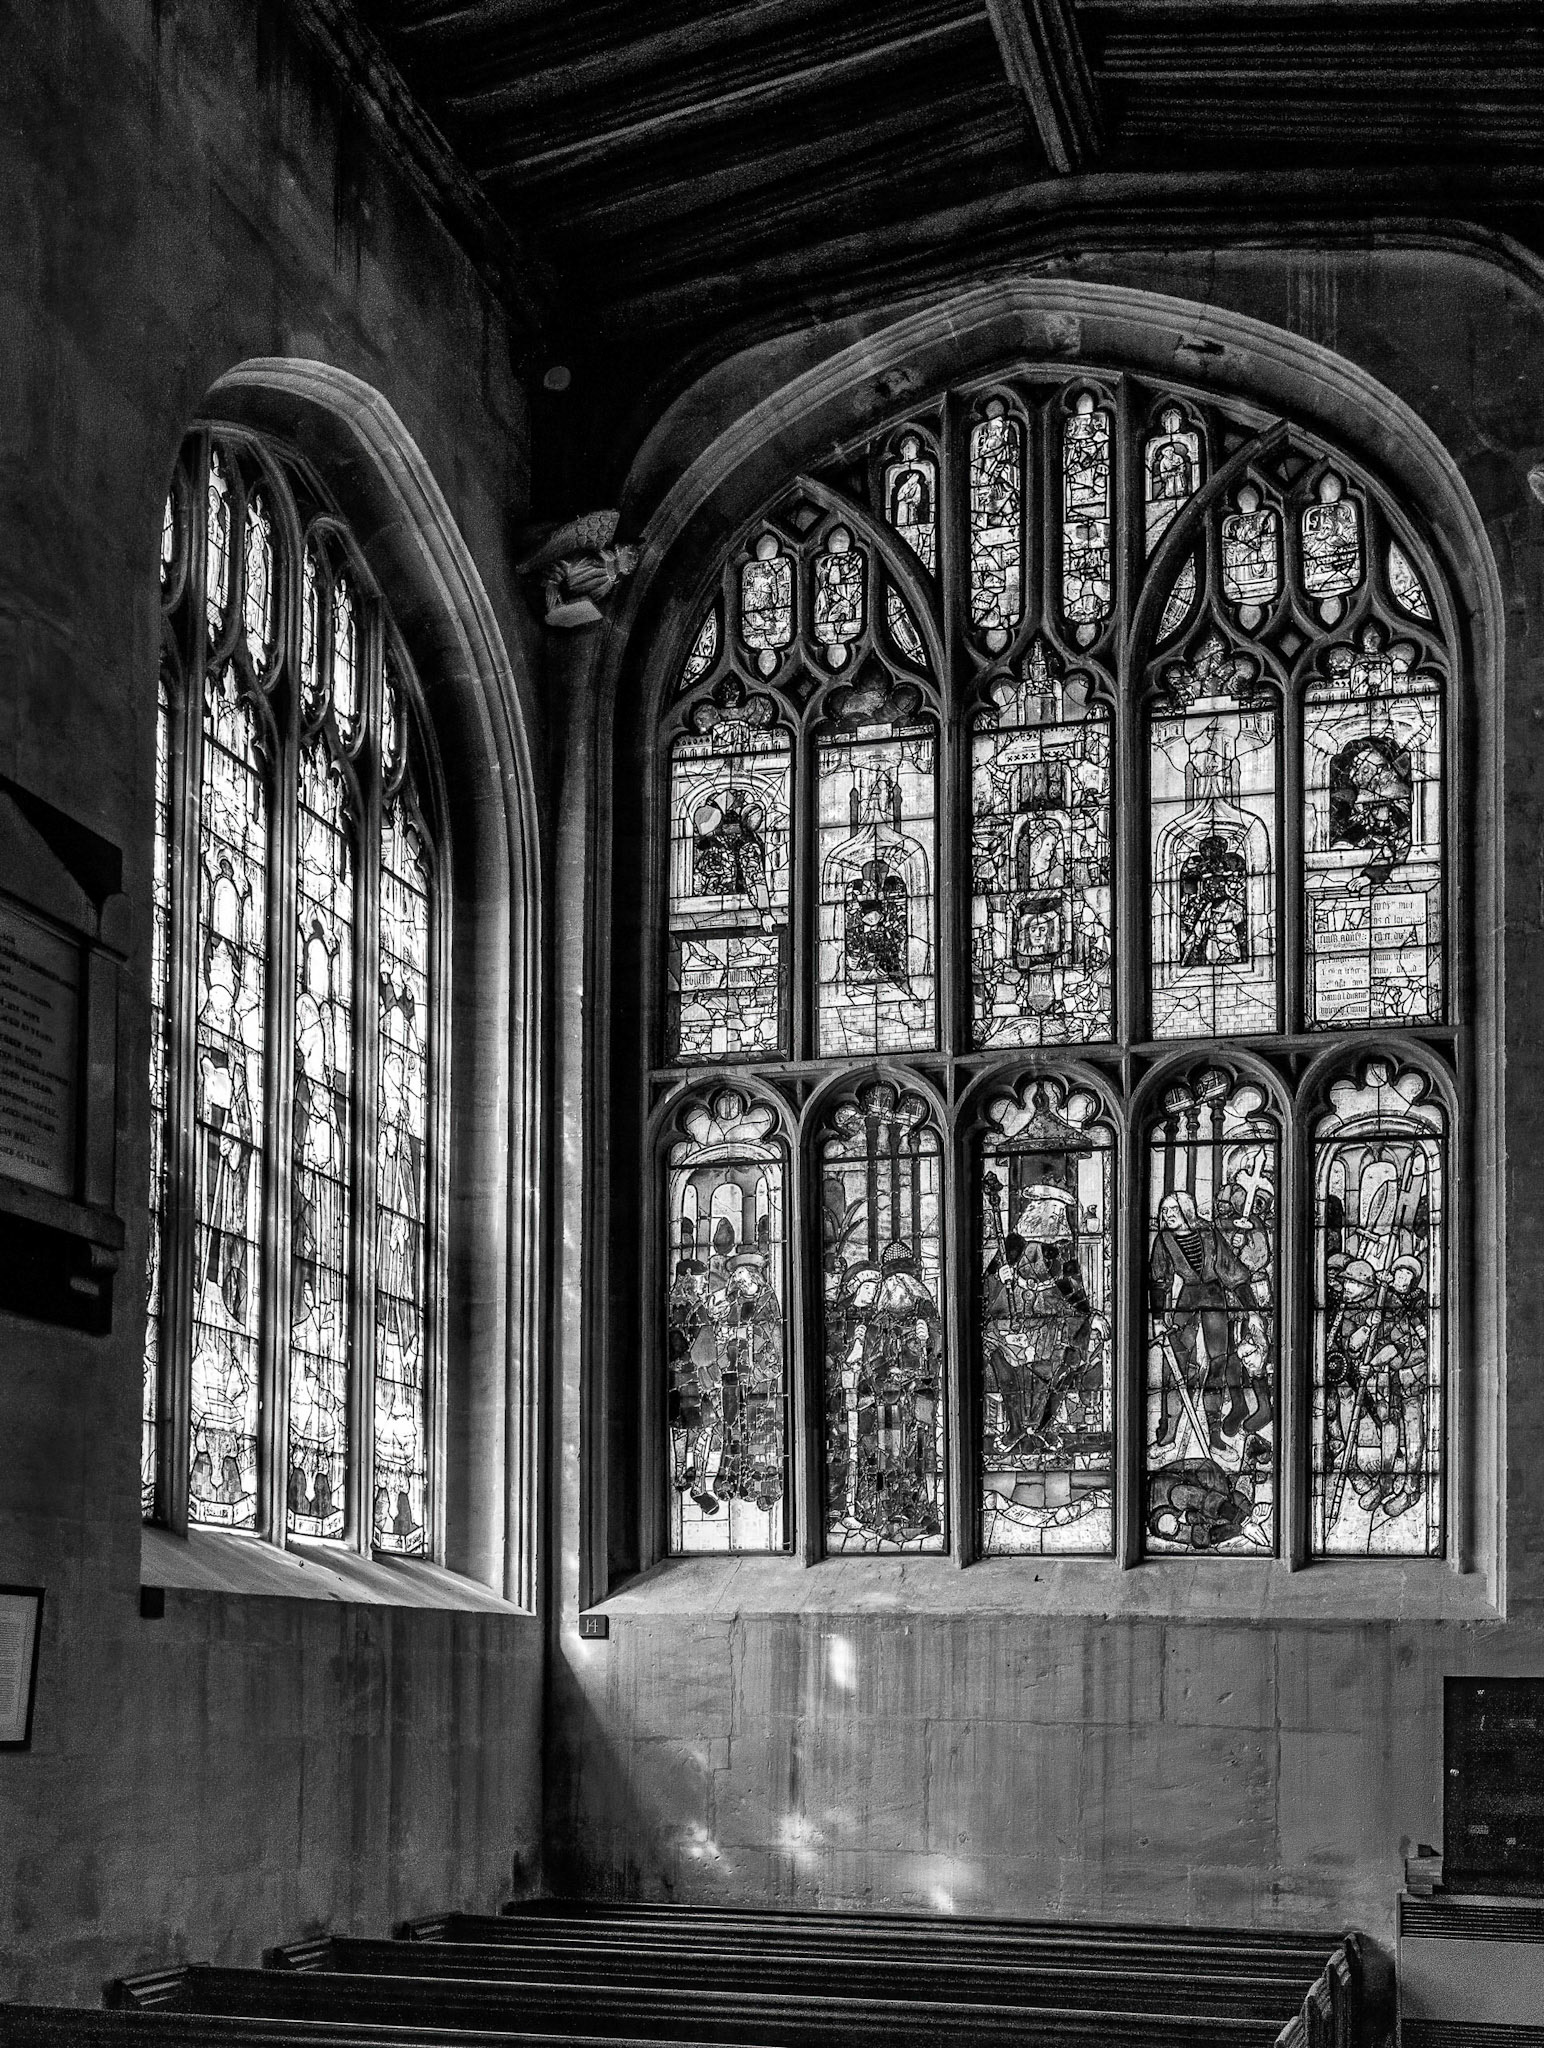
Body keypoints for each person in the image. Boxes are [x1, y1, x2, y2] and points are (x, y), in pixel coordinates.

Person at [1149, 1188, 1253, 1447]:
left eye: (1173, 1210)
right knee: (1178, 1363)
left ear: (1187, 1210)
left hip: (1215, 1298)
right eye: (1164, 1211)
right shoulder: (1163, 1240)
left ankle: (1214, 1435)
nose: (1168, 1215)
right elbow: (1159, 1280)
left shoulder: (1208, 1233)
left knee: (1218, 1362)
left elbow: (1233, 1272)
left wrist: (1252, 1310)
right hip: (1187, 1300)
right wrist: (1159, 1319)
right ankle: (1169, 1430)